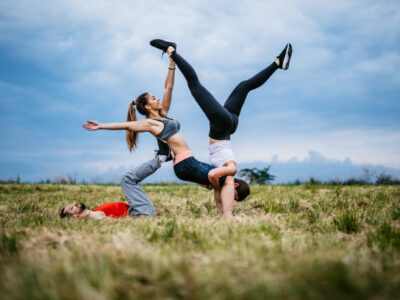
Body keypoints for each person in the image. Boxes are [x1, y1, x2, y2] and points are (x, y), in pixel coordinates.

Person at [83, 53, 250, 217]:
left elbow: (168, 88)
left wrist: (172, 64)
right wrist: (101, 126)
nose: (157, 99)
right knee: (227, 177)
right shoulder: (151, 124)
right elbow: (126, 125)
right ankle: (227, 216)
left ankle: (224, 213)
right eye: (153, 99)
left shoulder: (163, 115)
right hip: (186, 164)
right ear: (148, 107)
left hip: (187, 163)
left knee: (221, 180)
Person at [149, 39, 292, 215]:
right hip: (221, 126)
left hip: (229, 126)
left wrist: (211, 188)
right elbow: (211, 177)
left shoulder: (223, 176)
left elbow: (207, 180)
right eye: (233, 195)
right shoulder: (230, 170)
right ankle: (171, 50)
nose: (229, 197)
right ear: (235, 185)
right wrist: (214, 185)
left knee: (244, 87)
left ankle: (278, 63)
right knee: (195, 85)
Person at [59, 150, 171, 219]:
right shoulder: (95, 216)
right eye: (71, 207)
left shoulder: (93, 212)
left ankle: (163, 157)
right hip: (142, 214)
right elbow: (118, 223)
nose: (74, 204)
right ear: (74, 217)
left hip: (139, 210)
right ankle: (162, 157)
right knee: (126, 179)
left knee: (127, 179)